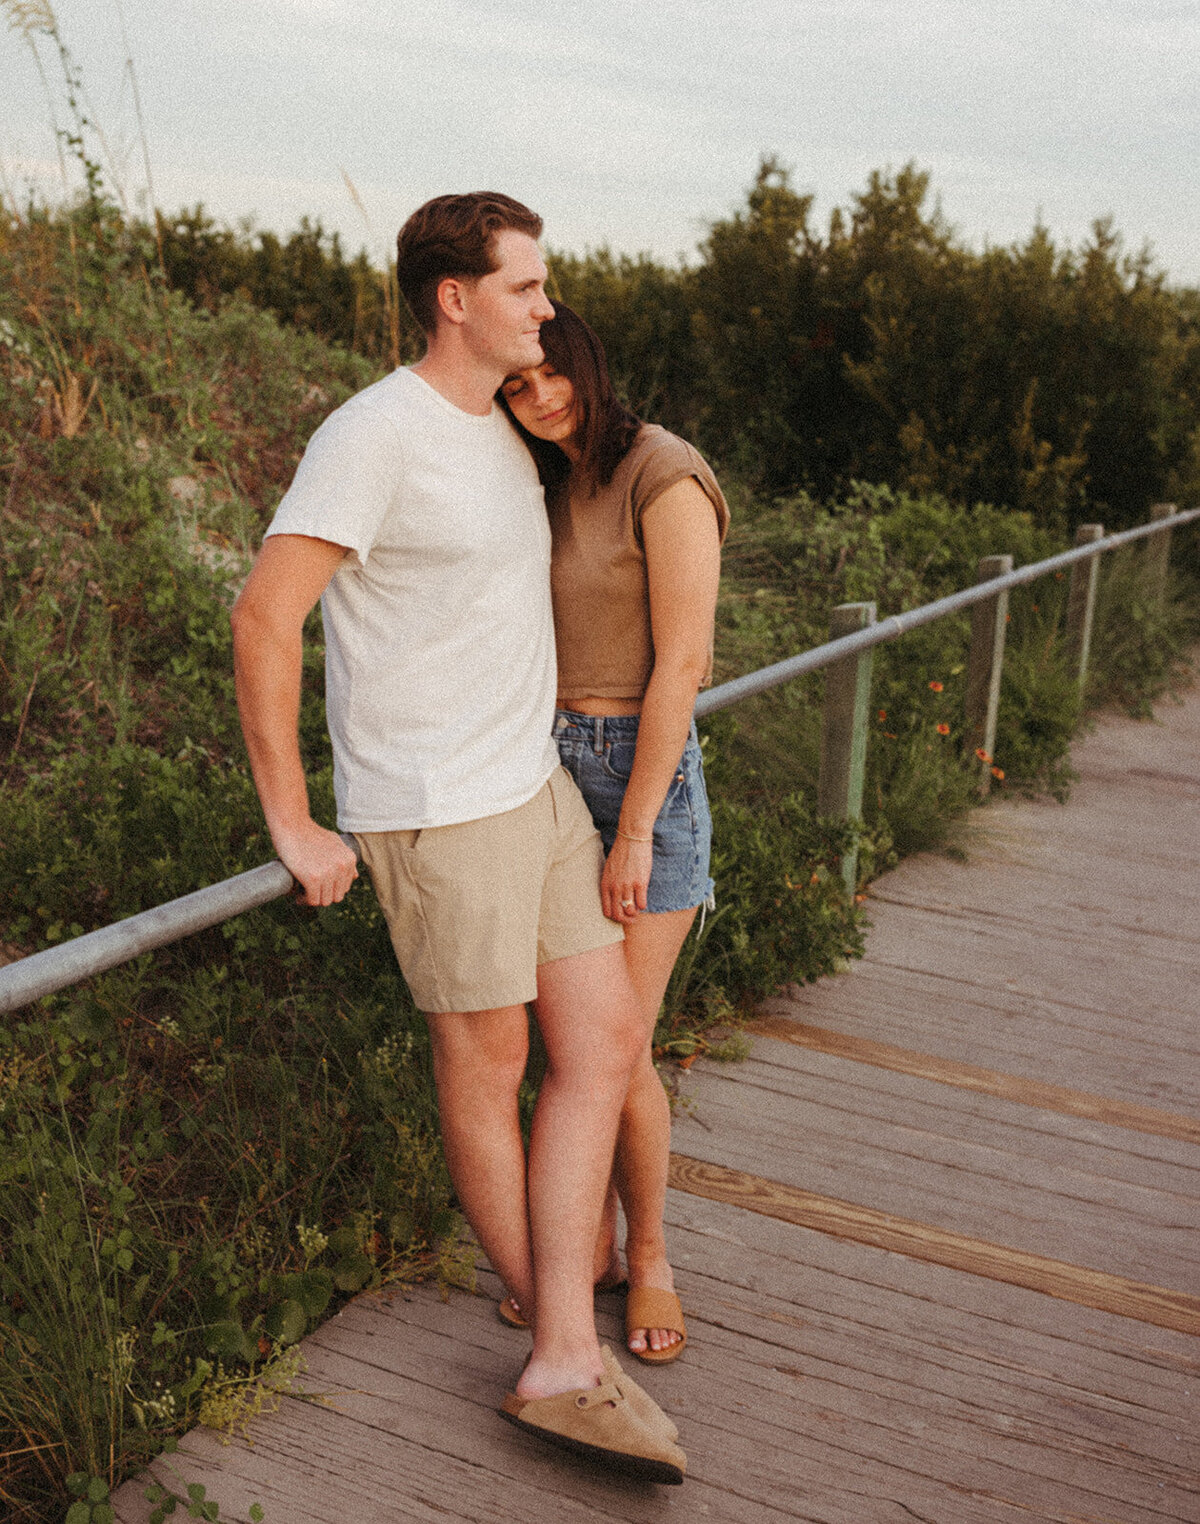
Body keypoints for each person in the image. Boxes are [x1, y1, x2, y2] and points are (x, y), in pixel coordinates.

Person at [230, 196, 686, 1483]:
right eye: (528, 287)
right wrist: (294, 818)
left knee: (600, 1050)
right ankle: (557, 1358)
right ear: (455, 298)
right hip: (436, 806)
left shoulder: (498, 425)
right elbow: (265, 621)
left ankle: (555, 1296)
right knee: (486, 1068)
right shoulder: (372, 435)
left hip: (532, 786)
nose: (548, 307)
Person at [499, 301, 727, 1366]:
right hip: (545, 765)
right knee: (577, 1045)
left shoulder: (663, 474)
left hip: (641, 775)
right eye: (517, 385)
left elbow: (681, 663)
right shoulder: (540, 480)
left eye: (554, 377)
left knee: (618, 1046)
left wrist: (636, 831)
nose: (540, 398)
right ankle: (580, 1239)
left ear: (590, 365)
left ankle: (652, 1254)